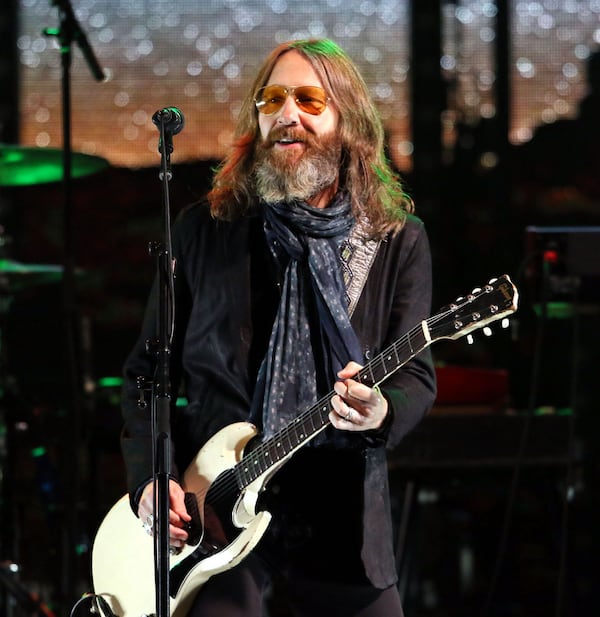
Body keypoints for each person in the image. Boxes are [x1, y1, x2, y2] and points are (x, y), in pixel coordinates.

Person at [120, 38, 436, 617]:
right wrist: (151, 479)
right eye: (272, 100)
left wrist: (380, 410)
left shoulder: (393, 239)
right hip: (213, 527)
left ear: (349, 121)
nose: (287, 115)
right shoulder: (204, 232)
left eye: (310, 100)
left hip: (343, 529)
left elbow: (414, 375)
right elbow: (148, 372)